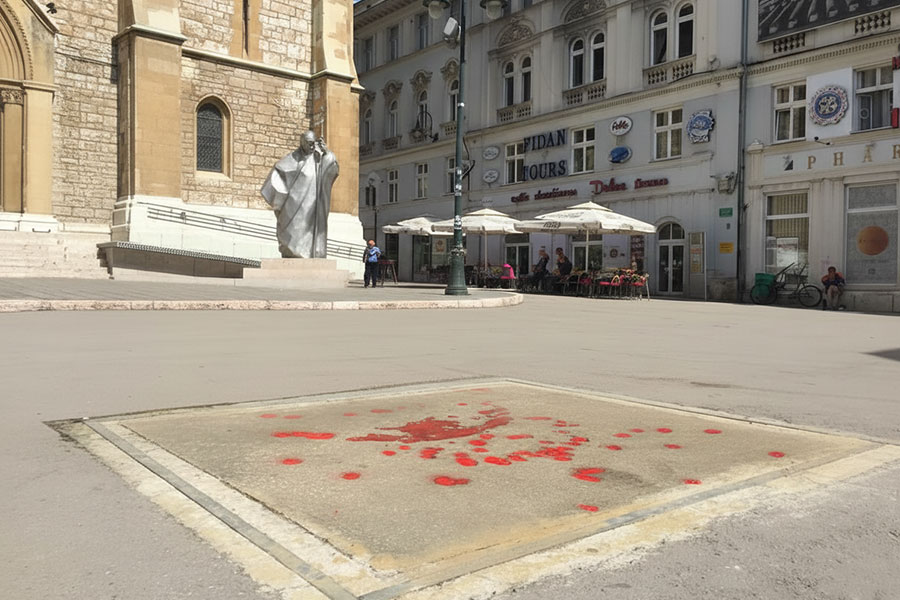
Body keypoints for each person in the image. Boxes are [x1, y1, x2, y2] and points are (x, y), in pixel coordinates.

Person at [261, 131, 339, 259]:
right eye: (309, 143)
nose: (312, 146)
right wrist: (279, 200)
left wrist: (327, 154)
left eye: (314, 143)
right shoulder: (291, 158)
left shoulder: (319, 159)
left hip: (313, 207)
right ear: (302, 142)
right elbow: (278, 174)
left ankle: (312, 253)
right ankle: (292, 252)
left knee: (310, 232)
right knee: (292, 232)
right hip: (292, 205)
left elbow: (332, 169)